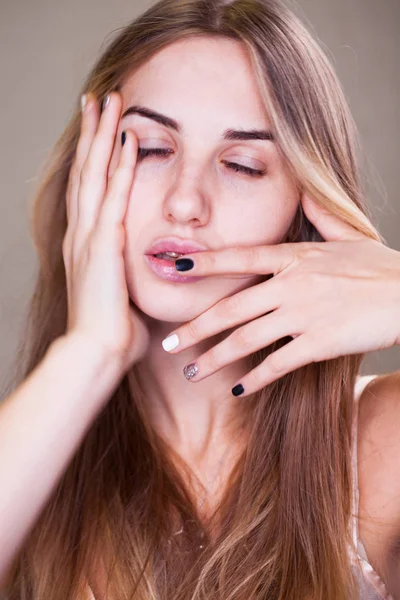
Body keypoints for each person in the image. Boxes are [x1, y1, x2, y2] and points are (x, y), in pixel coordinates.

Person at [0, 0, 399, 598]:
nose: (186, 202)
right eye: (151, 149)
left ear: (304, 207)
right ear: (89, 169)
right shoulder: (31, 455)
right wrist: (90, 351)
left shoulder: (381, 442)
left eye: (241, 164)